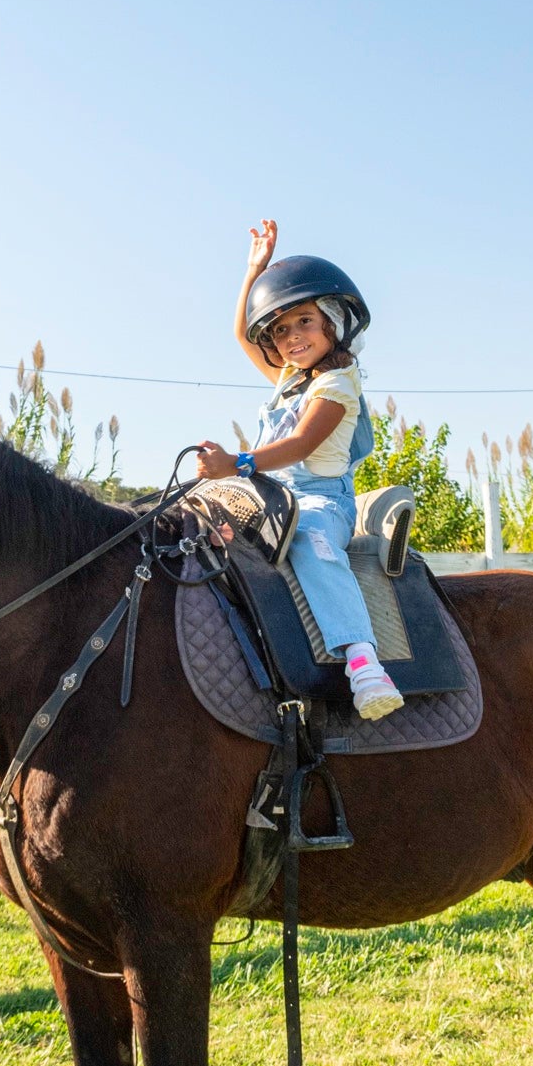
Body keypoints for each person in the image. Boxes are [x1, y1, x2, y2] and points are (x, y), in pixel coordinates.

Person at [196, 219, 405, 720]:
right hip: (266, 490)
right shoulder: (291, 378)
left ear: (333, 321)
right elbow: (241, 336)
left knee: (311, 543)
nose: (292, 338)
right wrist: (255, 271)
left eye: (304, 322)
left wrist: (237, 463)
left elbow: (301, 443)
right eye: (281, 330)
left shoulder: (336, 385)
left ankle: (362, 661)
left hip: (318, 499)